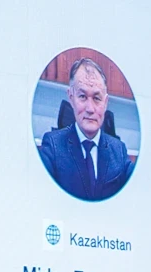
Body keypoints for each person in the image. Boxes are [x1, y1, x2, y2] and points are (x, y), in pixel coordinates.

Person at [37, 57, 132, 201]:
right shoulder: (53, 146)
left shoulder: (119, 150)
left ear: (105, 103)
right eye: (82, 96)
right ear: (71, 97)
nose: (90, 109)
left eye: (96, 98)